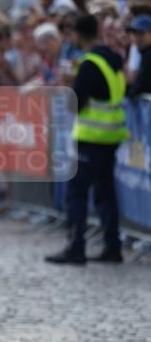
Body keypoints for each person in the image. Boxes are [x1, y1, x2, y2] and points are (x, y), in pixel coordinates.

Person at [45, 14, 129, 266]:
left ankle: (76, 247)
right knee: (105, 192)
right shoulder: (113, 58)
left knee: (77, 192)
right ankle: (112, 247)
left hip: (92, 136)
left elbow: (77, 102)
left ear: (77, 35)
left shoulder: (89, 63)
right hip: (112, 134)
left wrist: (68, 84)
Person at [127, 14, 151, 99]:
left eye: (141, 33)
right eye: (134, 33)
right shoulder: (144, 53)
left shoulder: (148, 56)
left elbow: (141, 85)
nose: (137, 38)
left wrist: (130, 96)